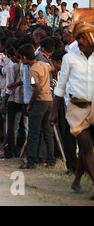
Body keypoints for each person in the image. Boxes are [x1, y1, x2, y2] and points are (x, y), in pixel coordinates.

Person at [49, 21, 94, 197]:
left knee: (85, 149)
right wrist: (54, 112)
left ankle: (76, 182)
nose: (80, 41)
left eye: (83, 37)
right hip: (76, 108)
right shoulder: (69, 57)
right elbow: (60, 87)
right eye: (78, 37)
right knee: (87, 144)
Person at [19, 43, 55, 169]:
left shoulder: (33, 70)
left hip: (39, 102)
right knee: (48, 132)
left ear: (24, 58)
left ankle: (31, 161)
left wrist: (30, 104)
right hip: (49, 101)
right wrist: (47, 57)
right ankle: (51, 159)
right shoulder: (43, 65)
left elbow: (37, 89)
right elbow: (53, 69)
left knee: (33, 132)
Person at [1, 45, 25, 159]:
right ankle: (17, 148)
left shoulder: (12, 66)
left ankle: (10, 149)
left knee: (11, 126)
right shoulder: (21, 65)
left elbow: (9, 86)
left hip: (14, 99)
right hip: (22, 98)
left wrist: (4, 102)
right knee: (21, 125)